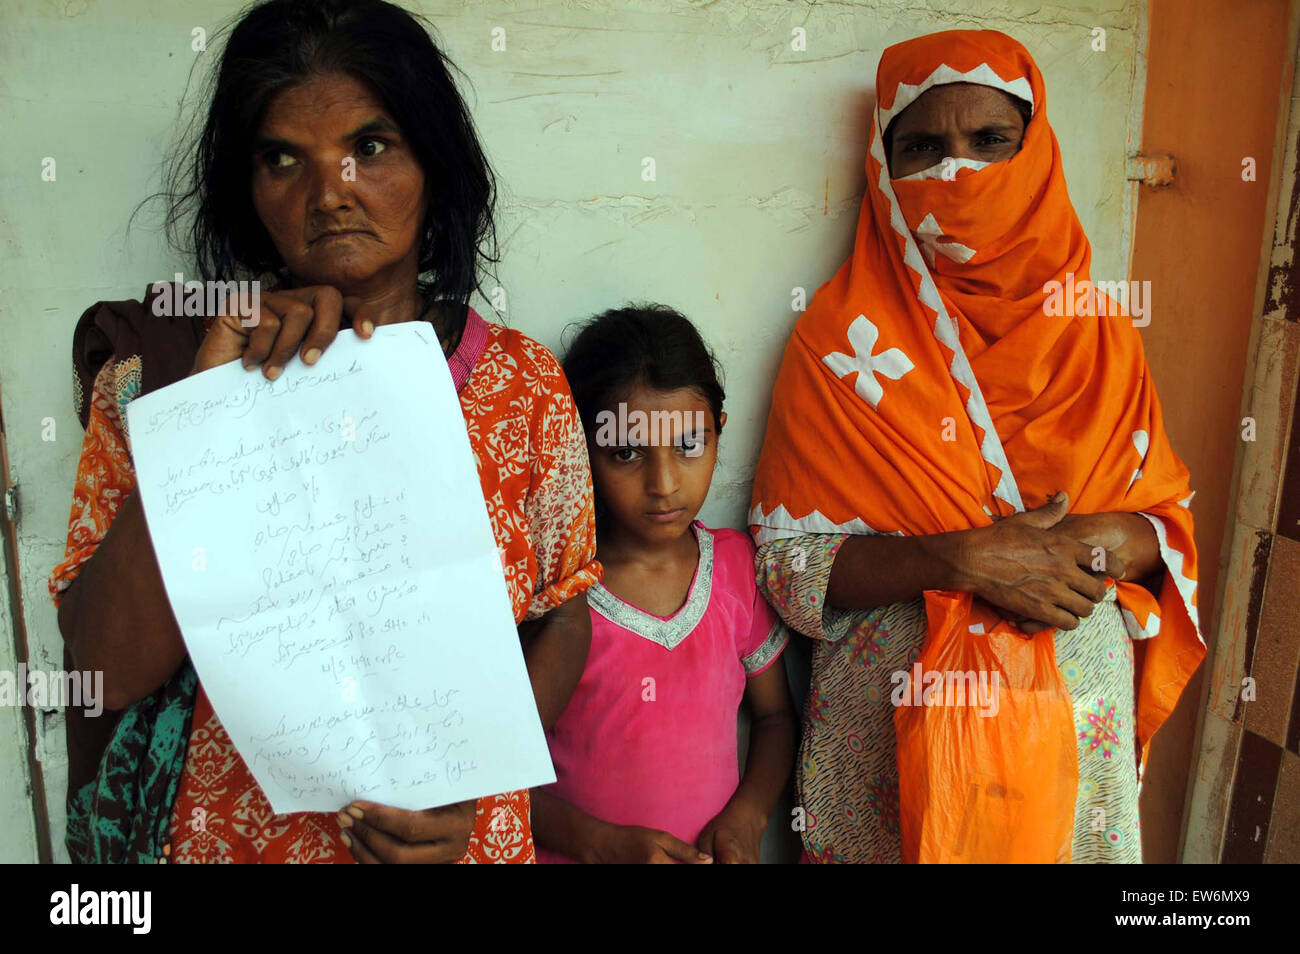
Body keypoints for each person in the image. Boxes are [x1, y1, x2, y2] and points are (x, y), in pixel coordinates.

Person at [49, 0, 599, 864]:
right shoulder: (158, 384)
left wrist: (481, 781)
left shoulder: (521, 387)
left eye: (369, 148)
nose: (329, 192)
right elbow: (108, 670)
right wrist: (207, 407)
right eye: (282, 160)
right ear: (248, 188)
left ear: (434, 164)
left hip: (458, 844)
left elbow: (563, 616)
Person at [748, 29, 1203, 863]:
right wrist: (964, 560)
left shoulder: (1099, 333)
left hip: (1069, 753)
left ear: (1037, 150)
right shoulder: (839, 343)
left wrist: (1094, 544)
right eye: (922, 147)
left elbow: (1164, 529)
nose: (955, 172)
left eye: (989, 140)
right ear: (884, 169)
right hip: (889, 753)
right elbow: (787, 570)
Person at [531, 305, 797, 863]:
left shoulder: (733, 571)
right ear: (581, 448)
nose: (664, 483)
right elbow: (501, 779)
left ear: (719, 431)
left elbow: (775, 718)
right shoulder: (557, 596)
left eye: (688, 446)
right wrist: (599, 844)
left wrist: (747, 818)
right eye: (626, 452)